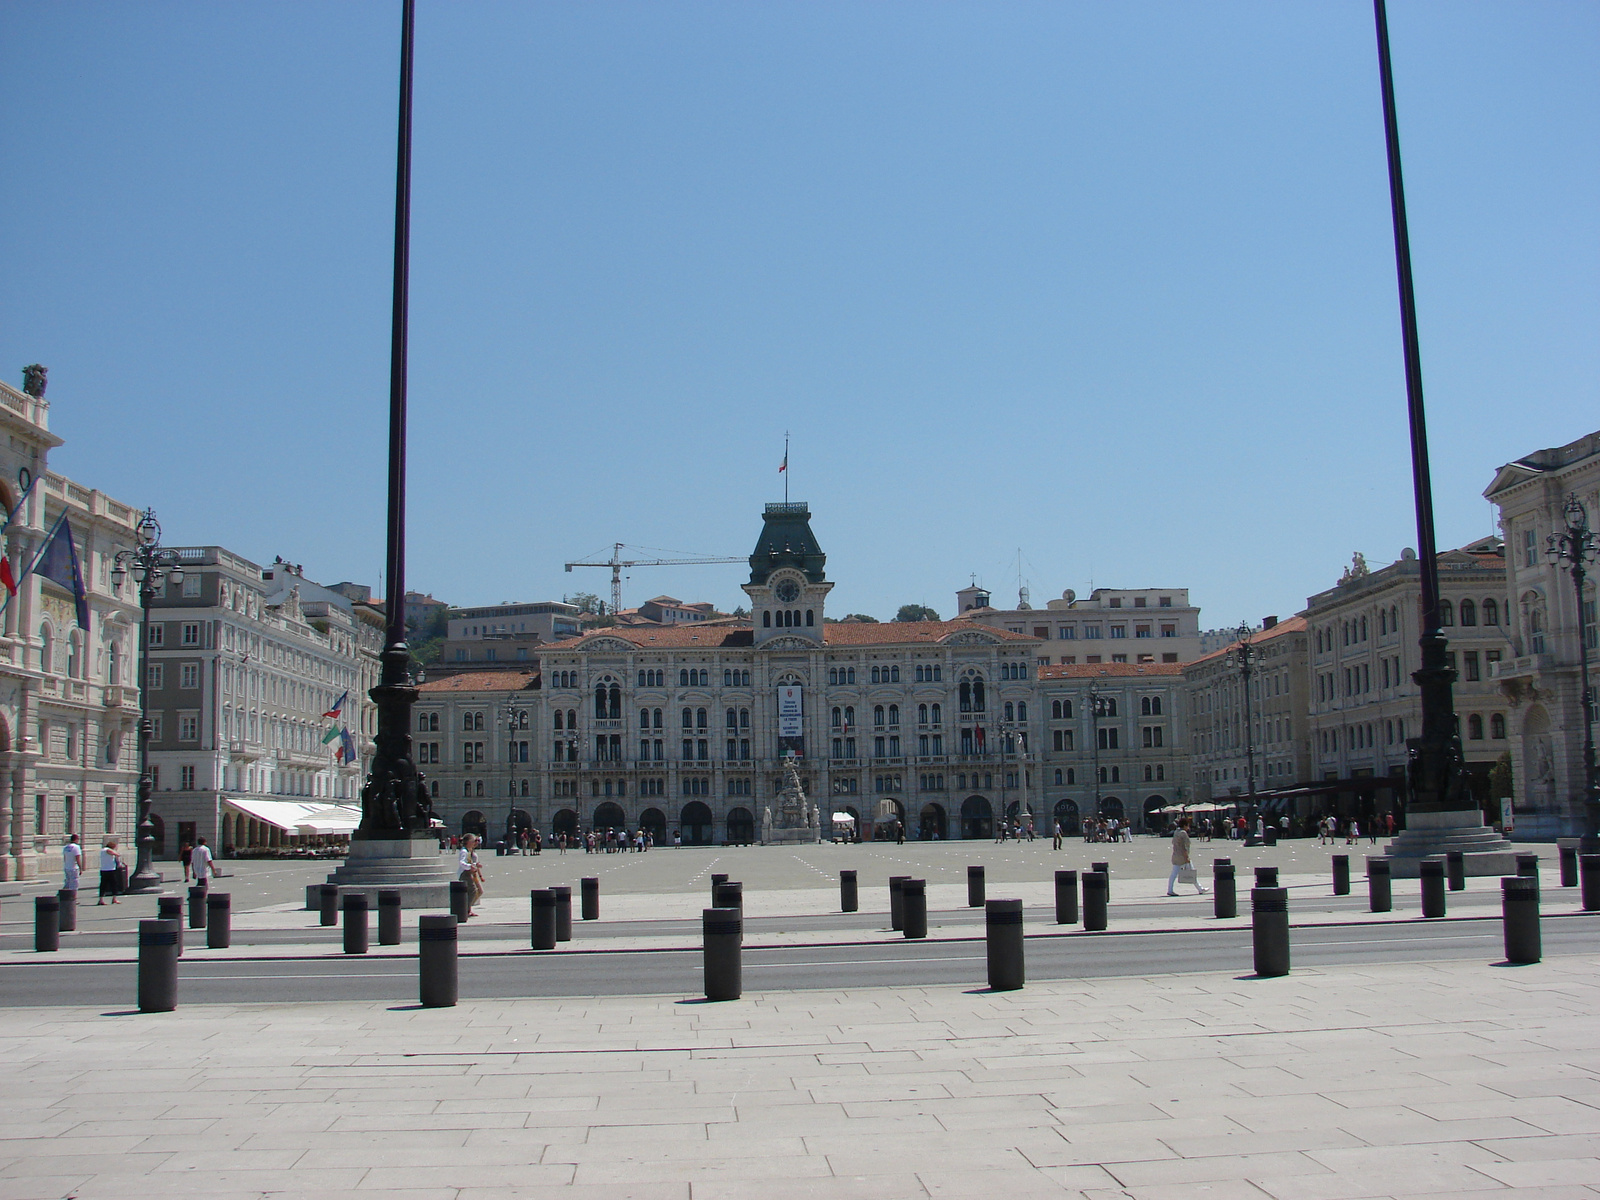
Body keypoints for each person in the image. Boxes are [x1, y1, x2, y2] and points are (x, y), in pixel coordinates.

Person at [1167, 817, 1206, 896]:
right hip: (1183, 857)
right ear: (1184, 825)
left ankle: (1170, 889)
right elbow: (1184, 847)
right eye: (1188, 825)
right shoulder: (1183, 833)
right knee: (1192, 872)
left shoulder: (1176, 832)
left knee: (1174, 874)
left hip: (1176, 855)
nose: (1188, 827)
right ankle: (1200, 889)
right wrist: (1187, 857)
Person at [458, 833, 484, 916]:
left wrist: (476, 865)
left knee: (473, 891)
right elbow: (461, 862)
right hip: (464, 873)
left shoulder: (468, 851)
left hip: (469, 873)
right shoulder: (464, 851)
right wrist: (470, 866)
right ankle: (466, 910)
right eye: (473, 841)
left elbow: (470, 862)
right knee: (472, 891)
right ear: (468, 842)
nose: (474, 843)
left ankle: (467, 909)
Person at [98, 838, 124, 905]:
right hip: (110, 869)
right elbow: (116, 854)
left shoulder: (102, 850)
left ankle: (101, 899)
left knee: (103, 885)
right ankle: (114, 899)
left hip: (103, 869)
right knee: (113, 884)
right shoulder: (108, 850)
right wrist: (116, 853)